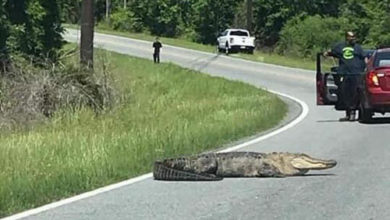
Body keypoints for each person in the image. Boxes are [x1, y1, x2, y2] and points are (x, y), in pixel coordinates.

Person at [324, 31, 367, 121]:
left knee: (355, 94)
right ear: (347, 37)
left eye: (354, 37)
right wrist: (327, 53)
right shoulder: (340, 46)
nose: (353, 39)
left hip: (356, 73)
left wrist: (367, 68)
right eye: (351, 37)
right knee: (345, 93)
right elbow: (331, 53)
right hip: (344, 74)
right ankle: (348, 113)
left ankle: (354, 113)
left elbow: (365, 58)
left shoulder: (358, 48)